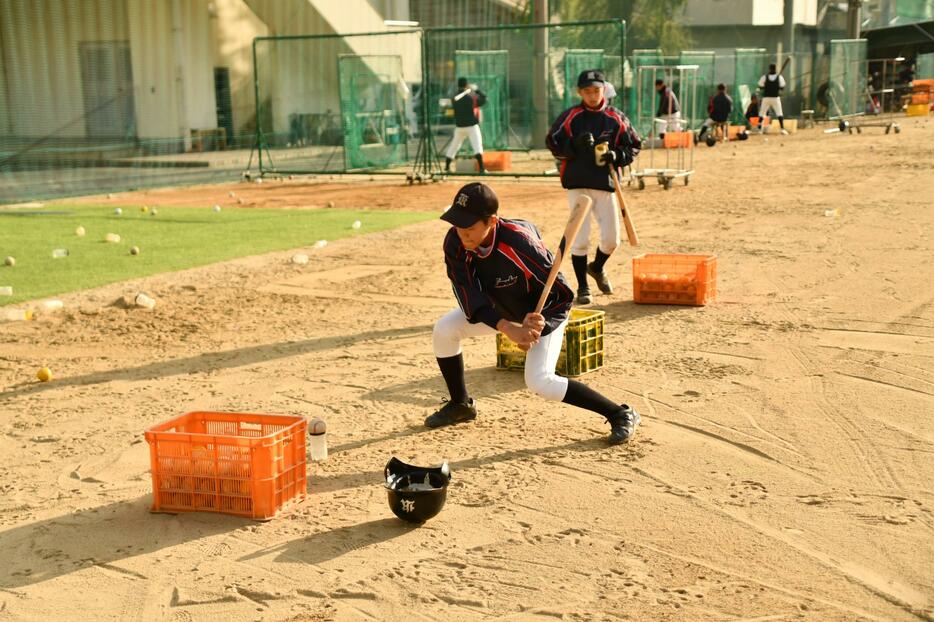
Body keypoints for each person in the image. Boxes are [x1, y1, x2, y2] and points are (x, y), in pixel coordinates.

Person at [426, 182, 641, 445]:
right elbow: (467, 294)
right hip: (500, 311)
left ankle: (620, 413)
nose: (463, 235)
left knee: (540, 381)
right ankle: (461, 405)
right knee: (445, 330)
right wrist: (508, 327)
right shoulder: (455, 242)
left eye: (470, 228)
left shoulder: (518, 242)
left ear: (491, 221)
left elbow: (563, 295)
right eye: (458, 226)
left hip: (542, 312)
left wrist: (540, 323)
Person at [545, 70, 641, 305]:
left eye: (596, 90)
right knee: (580, 239)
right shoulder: (571, 116)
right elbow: (552, 142)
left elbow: (635, 145)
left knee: (611, 240)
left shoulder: (615, 117)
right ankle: (583, 287)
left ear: (604, 90)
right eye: (587, 91)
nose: (592, 95)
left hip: (606, 184)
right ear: (579, 92)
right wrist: (573, 145)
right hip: (577, 184)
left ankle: (596, 268)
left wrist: (617, 154)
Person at [444, 77, 487, 174]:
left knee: (454, 146)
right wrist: (476, 90)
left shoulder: (455, 97)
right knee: (477, 146)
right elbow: (483, 99)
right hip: (472, 126)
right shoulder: (471, 96)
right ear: (466, 85)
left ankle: (446, 167)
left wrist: (469, 91)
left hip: (459, 127)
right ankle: (481, 168)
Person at [757, 64, 789, 135]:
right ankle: (782, 129)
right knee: (779, 113)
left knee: (762, 113)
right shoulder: (779, 77)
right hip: (775, 98)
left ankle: (759, 130)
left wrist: (767, 86)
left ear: (769, 69)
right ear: (775, 69)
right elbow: (782, 87)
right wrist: (776, 86)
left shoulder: (765, 77)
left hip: (766, 98)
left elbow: (760, 86)